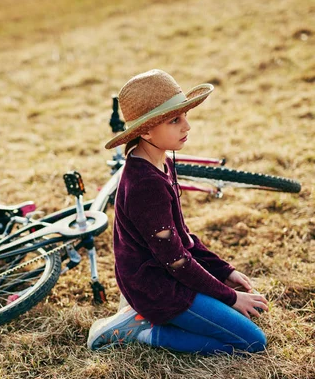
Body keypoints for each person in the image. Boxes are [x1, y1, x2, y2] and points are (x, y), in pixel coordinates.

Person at [88, 69, 268, 355]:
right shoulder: (145, 185)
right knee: (252, 342)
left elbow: (182, 236)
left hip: (165, 271)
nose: (187, 126)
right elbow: (177, 262)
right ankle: (142, 330)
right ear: (146, 130)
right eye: (175, 120)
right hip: (156, 286)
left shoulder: (160, 161)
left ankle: (175, 316)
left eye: (185, 116)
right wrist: (230, 296)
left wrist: (224, 270)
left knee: (241, 317)